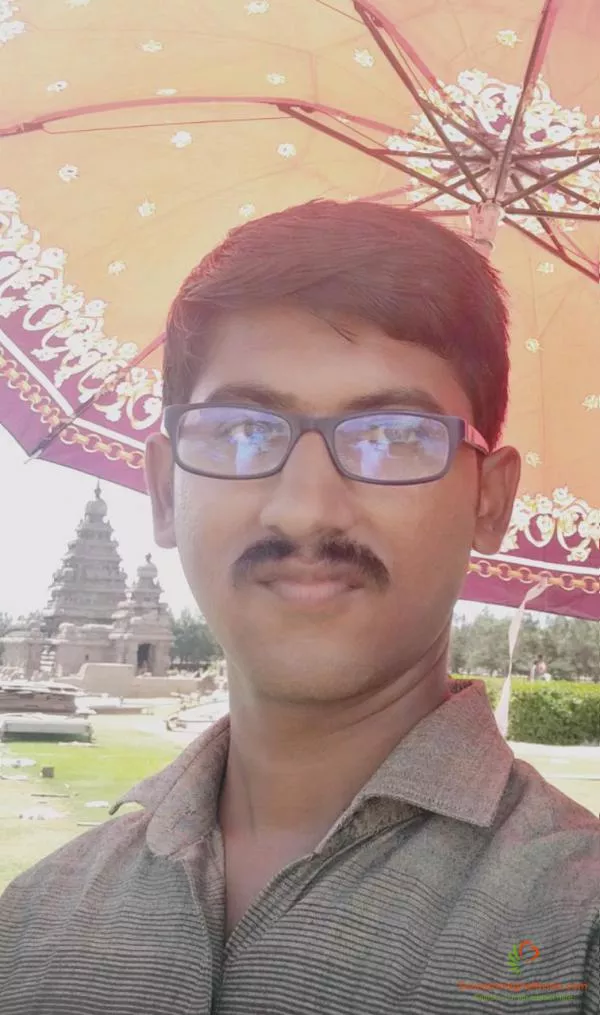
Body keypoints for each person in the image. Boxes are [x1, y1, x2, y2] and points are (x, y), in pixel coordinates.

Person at [1, 201, 598, 1013]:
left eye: (393, 436)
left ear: (487, 500)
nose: (305, 510)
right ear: (165, 492)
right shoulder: (32, 925)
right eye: (242, 431)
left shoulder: (575, 935)